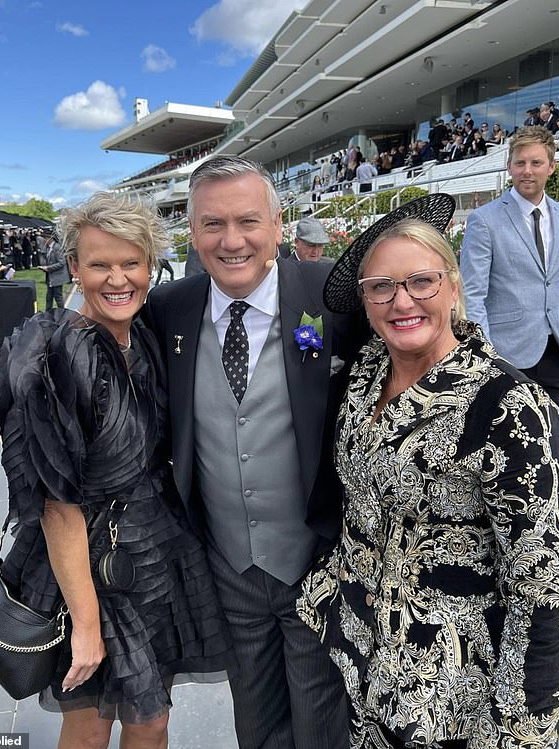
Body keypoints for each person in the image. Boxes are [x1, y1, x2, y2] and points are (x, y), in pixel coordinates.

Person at [298, 195, 559, 748]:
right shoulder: (364, 376)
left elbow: (544, 580)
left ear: (453, 287)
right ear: (365, 299)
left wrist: (527, 718)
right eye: (381, 286)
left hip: (456, 697)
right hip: (364, 662)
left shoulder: (506, 404)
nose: (402, 301)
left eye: (420, 281)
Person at [0, 192, 233, 749]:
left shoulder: (143, 334)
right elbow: (55, 503)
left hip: (155, 551)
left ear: (151, 266)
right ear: (74, 267)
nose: (118, 278)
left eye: (131, 263)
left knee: (152, 718)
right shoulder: (57, 354)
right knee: (91, 723)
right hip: (85, 559)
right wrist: (88, 626)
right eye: (100, 264)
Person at [143, 155, 354, 749]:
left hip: (318, 561)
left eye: (248, 221)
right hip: (227, 567)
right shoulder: (170, 309)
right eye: (212, 224)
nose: (231, 241)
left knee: (321, 725)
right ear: (192, 232)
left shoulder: (331, 295)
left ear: (279, 225)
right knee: (255, 723)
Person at [460, 125, 559, 551]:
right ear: (509, 167)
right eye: (519, 163)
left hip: (555, 349)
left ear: (552, 166)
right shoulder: (484, 220)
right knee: (516, 450)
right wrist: (487, 355)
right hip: (507, 355)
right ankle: (518, 542)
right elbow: (474, 295)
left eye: (536, 163)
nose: (527, 170)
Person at [39, 231, 71, 311]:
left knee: (58, 297)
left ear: (49, 238)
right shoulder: (47, 248)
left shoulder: (57, 247)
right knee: (49, 297)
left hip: (57, 277)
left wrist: (48, 268)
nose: (43, 240)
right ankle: (47, 314)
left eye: (44, 238)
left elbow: (61, 262)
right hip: (51, 277)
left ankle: (62, 314)